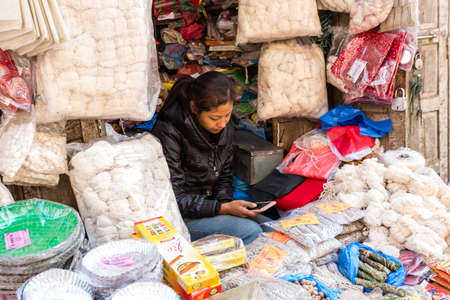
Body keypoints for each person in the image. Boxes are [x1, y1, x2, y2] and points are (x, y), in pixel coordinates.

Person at [153, 71, 272, 245]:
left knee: (270, 227)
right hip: (180, 216)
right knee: (251, 232)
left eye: (227, 115)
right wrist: (221, 209)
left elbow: (224, 175)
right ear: (194, 108)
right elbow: (174, 198)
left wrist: (227, 206)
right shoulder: (169, 132)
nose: (223, 123)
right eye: (214, 118)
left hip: (210, 206)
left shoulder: (226, 129)